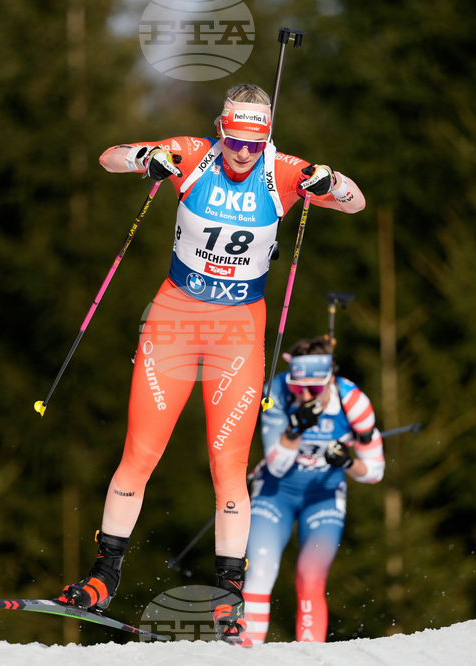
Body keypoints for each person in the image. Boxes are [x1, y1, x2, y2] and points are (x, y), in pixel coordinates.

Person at [57, 83, 366, 643]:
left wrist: (330, 181)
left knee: (229, 468)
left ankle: (229, 596)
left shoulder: (285, 171)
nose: (243, 153)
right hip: (174, 319)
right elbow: (109, 158)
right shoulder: (193, 155)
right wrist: (144, 158)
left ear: (266, 137)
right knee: (139, 454)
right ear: (220, 130)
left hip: (238, 332)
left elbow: (355, 200)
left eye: (254, 142)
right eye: (234, 140)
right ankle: (103, 577)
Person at [241, 336, 385, 645]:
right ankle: (245, 654)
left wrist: (348, 463)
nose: (305, 394)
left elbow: (375, 472)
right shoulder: (277, 392)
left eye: (314, 388)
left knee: (310, 577)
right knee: (259, 569)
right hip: (276, 492)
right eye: (298, 386)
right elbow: (276, 466)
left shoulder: (354, 402)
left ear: (329, 379)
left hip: (323, 497)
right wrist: (295, 430)